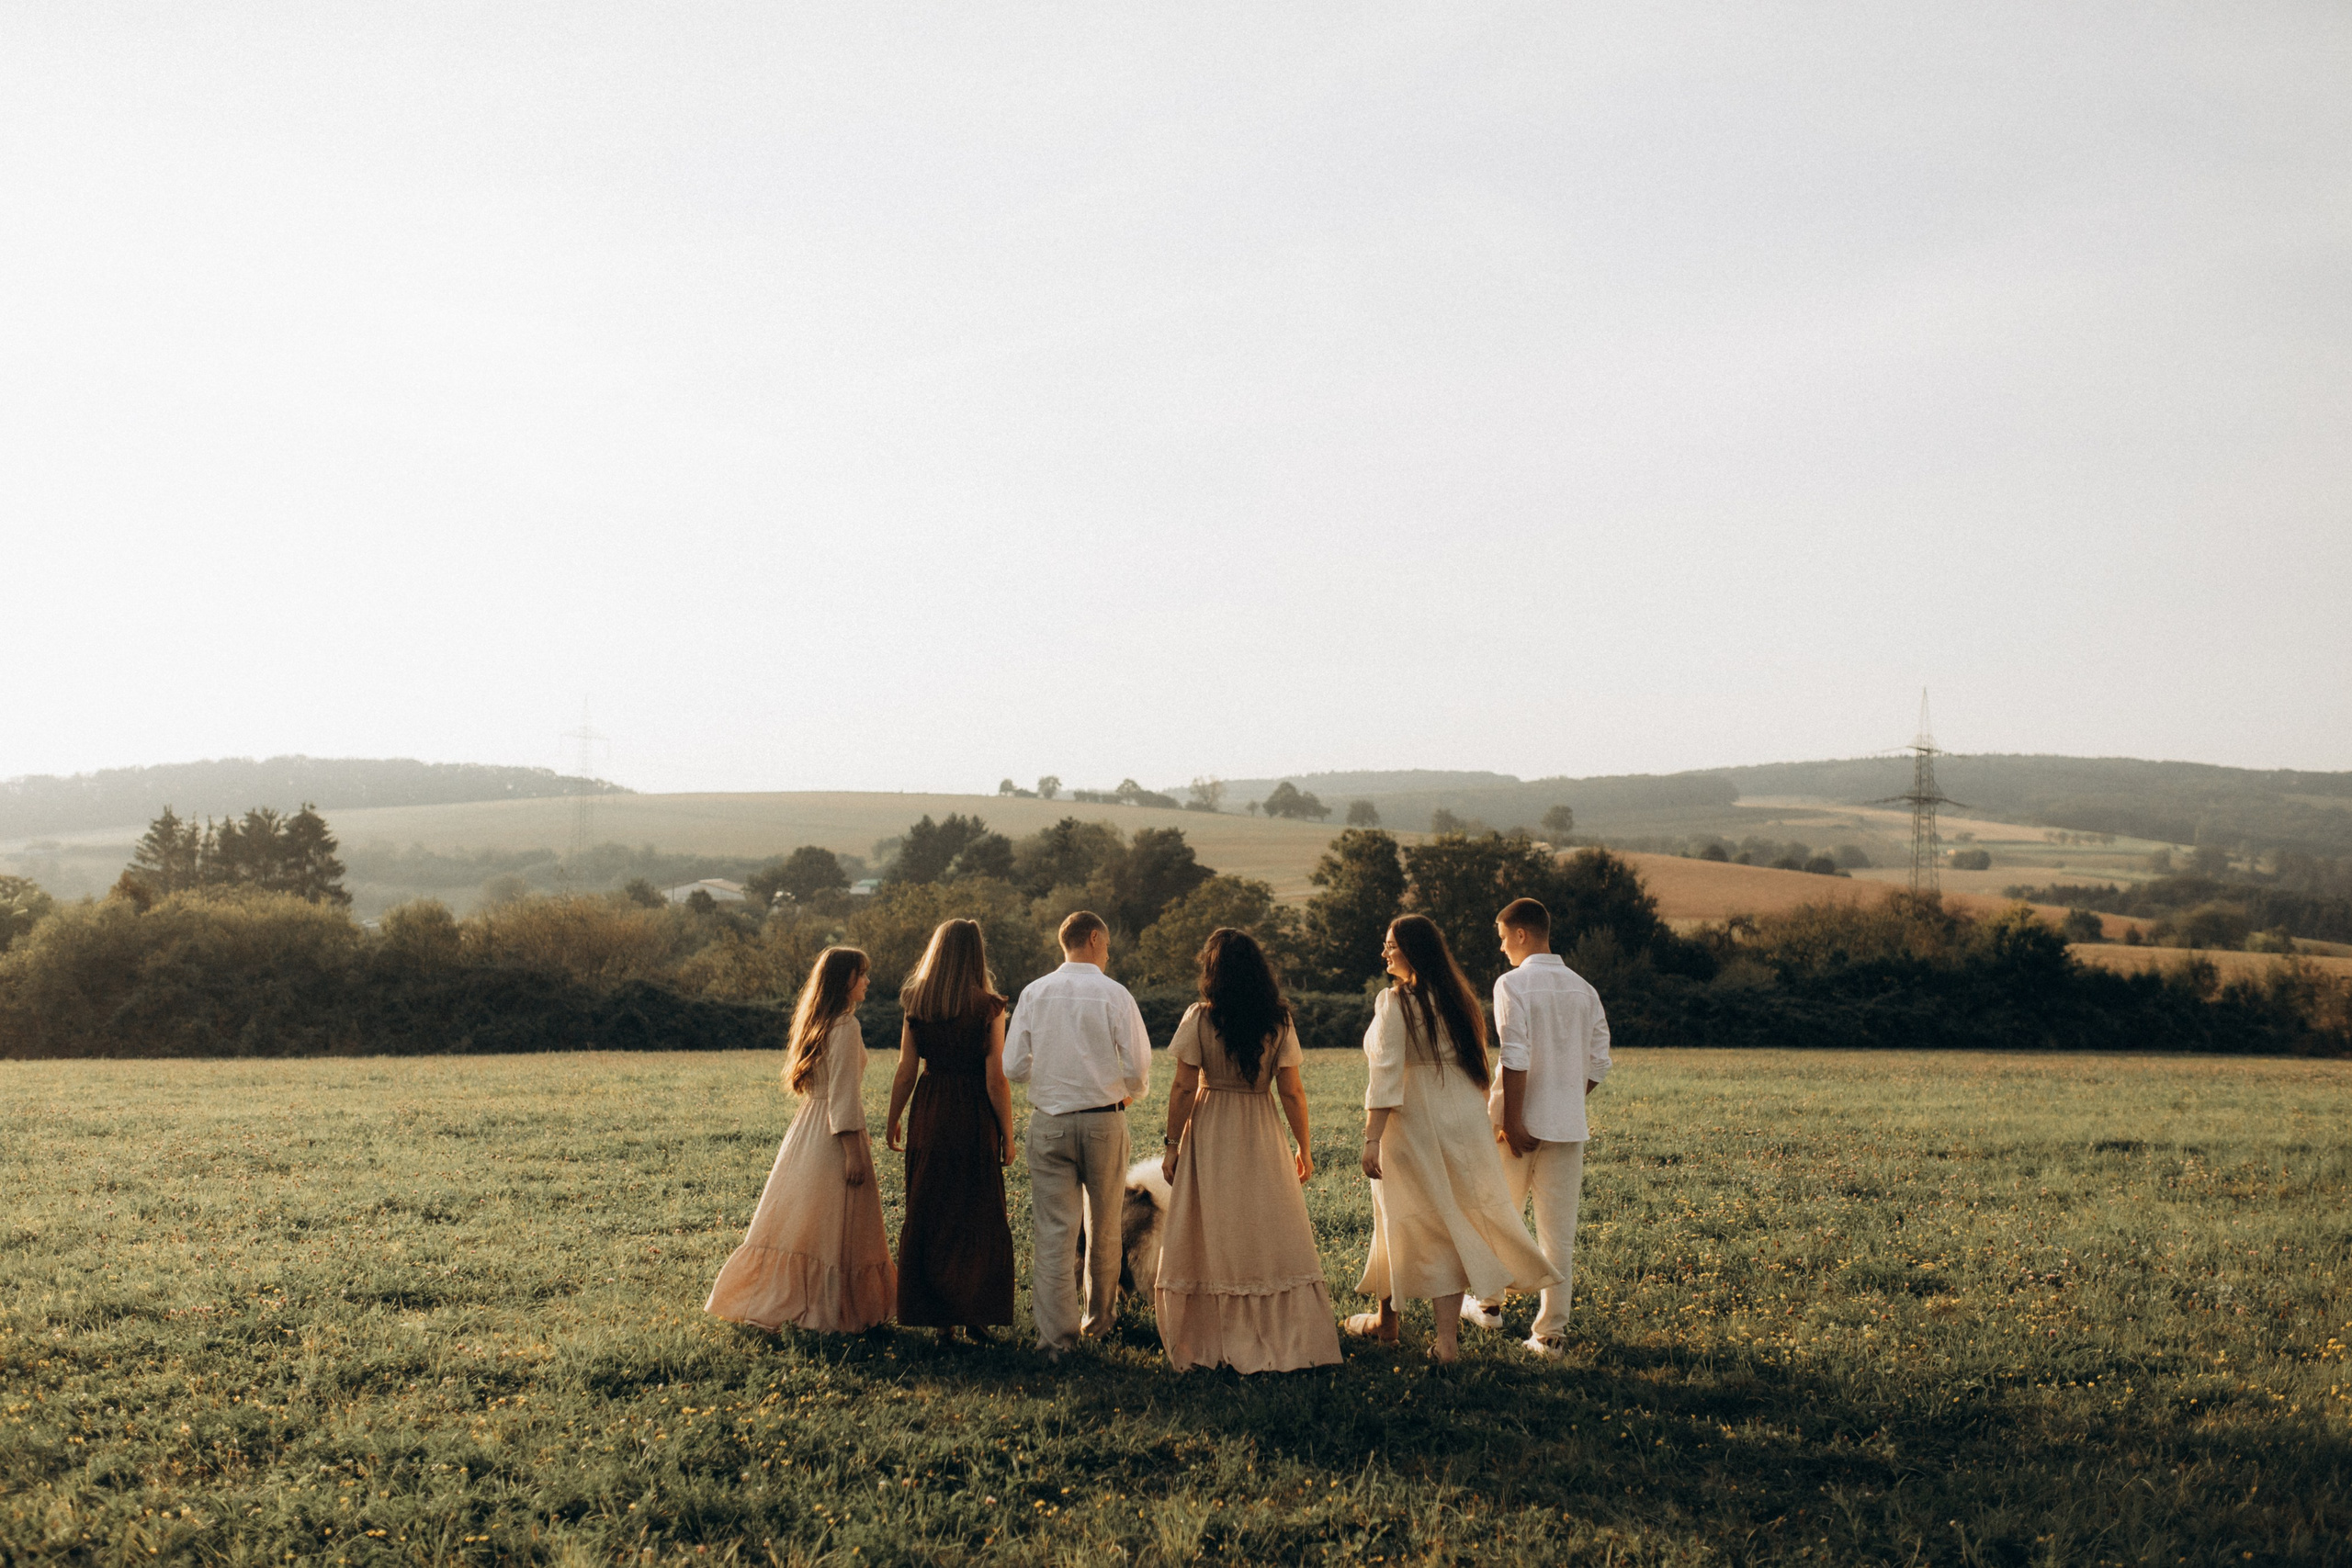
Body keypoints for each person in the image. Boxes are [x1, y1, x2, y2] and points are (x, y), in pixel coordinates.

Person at [1351, 914, 1558, 1362]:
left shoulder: (1395, 1002)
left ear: (1411, 950)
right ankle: (1430, 1336)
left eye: (1391, 945)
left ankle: (1401, 1327)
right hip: (1462, 1116)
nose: (1384, 952)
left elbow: (1386, 1074)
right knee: (1449, 1221)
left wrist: (1372, 1138)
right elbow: (1478, 1070)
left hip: (1414, 1120)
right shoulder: (1458, 999)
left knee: (1402, 1217)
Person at [1156, 928, 1342, 1374]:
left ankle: (1212, 1336)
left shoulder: (1200, 1018)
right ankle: (1281, 1334)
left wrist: (1171, 1144)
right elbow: (1292, 1091)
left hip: (1211, 1130)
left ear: (1212, 971)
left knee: (1213, 1230)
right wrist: (1303, 1146)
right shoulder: (1278, 1020)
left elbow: (1183, 1085)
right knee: (1263, 1228)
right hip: (1260, 1129)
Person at [706, 946, 896, 1333]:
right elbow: (843, 1097)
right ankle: (834, 1310)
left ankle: (787, 1298)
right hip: (832, 1136)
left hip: (806, 1131)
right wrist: (854, 1154)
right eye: (862, 974)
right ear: (845, 981)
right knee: (831, 1229)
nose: (868, 981)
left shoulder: (819, 1022)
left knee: (805, 1224)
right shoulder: (845, 1027)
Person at [1460, 897, 1611, 1356]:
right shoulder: (1585, 989)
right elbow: (1599, 1062)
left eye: (1503, 937)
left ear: (1522, 934)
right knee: (1557, 1233)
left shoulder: (1512, 984)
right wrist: (1562, 1101)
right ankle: (1550, 1335)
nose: (1502, 947)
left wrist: (1515, 1117)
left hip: (1515, 1126)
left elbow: (1515, 1054)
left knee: (1498, 1213)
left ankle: (1488, 1305)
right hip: (1567, 1128)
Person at [1005, 909, 1152, 1356]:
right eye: (1106, 946)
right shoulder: (1115, 994)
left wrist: (1050, 1075)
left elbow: (1013, 1067)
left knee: (1054, 1232)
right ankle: (1099, 1321)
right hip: (1103, 1120)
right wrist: (1128, 1093)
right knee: (1106, 1225)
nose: (1108, 955)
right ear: (1093, 938)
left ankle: (1054, 1340)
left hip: (1048, 1121)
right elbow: (1138, 1065)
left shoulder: (1034, 992)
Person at [886, 919, 1018, 1343]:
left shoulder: (915, 1002)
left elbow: (907, 1071)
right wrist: (1009, 1134)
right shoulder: (990, 1007)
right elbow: (996, 1078)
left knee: (930, 1207)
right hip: (973, 1113)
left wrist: (893, 1118)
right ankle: (975, 1315)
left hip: (931, 1108)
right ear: (977, 954)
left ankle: (939, 1318)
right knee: (977, 1211)